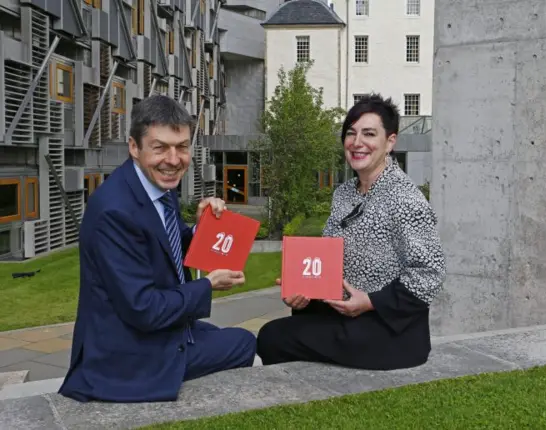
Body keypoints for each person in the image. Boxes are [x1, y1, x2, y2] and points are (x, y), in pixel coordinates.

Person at [59, 95, 256, 403]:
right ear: (134, 147)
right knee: (244, 342)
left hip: (147, 332)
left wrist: (203, 229)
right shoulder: (114, 211)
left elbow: (167, 239)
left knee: (219, 335)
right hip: (126, 355)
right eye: (160, 147)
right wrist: (207, 284)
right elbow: (145, 309)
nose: (174, 159)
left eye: (182, 146)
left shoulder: (153, 185)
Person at [256, 94, 446, 370]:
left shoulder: (406, 198)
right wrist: (303, 289)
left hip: (387, 329)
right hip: (342, 314)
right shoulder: (344, 194)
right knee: (282, 329)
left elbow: (430, 274)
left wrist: (370, 302)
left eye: (369, 134)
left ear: (390, 141)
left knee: (274, 337)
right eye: (351, 133)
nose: (357, 143)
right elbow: (329, 262)